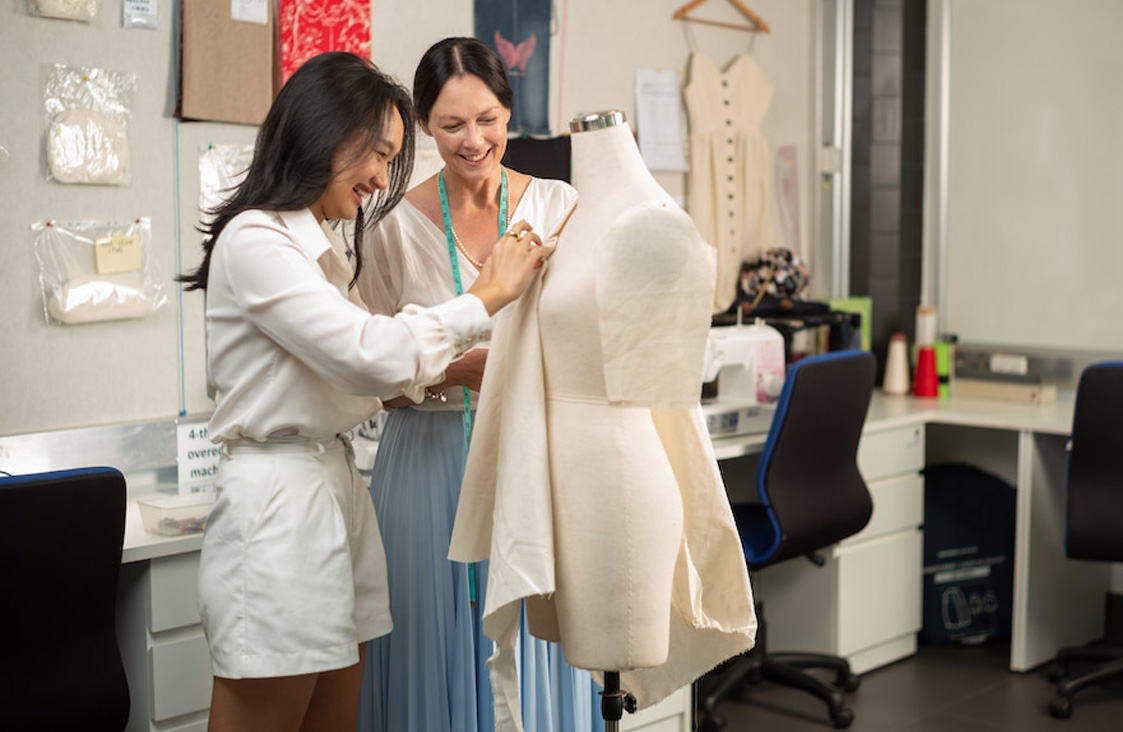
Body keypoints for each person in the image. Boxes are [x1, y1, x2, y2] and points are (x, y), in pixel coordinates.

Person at [177, 51, 545, 732]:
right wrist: (488, 293)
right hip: (279, 506)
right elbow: (367, 354)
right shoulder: (256, 240)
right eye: (377, 154)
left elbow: (352, 373)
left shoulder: (320, 248)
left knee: (336, 716)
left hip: (334, 485)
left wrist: (442, 370)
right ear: (322, 134)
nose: (381, 178)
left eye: (391, 158)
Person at [449, 110, 757, 730]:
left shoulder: (651, 222)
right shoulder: (563, 215)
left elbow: (668, 372)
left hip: (619, 482)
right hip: (566, 478)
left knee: (612, 665)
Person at [355, 37, 595, 732]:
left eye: (487, 119)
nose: (473, 140)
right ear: (423, 125)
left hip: (537, 463)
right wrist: (455, 372)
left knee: (539, 641)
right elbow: (371, 376)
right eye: (452, 125)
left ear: (509, 113)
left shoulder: (559, 207)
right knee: (437, 649)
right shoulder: (390, 224)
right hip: (430, 470)